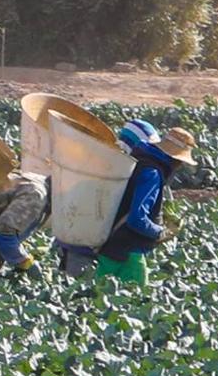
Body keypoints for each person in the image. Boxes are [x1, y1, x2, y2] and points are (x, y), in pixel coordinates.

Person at [54, 119, 161, 278]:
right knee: (84, 295)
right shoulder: (115, 171)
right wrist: (157, 230)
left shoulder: (100, 162)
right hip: (86, 248)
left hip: (74, 244)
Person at [96, 127, 197, 286]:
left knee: (97, 294)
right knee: (138, 300)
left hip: (109, 246)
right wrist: (161, 232)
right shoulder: (151, 173)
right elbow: (137, 219)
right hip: (128, 254)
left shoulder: (138, 161)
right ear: (176, 160)